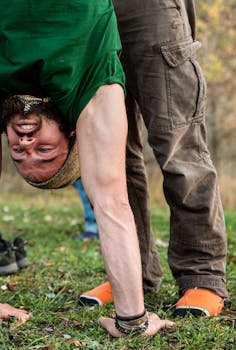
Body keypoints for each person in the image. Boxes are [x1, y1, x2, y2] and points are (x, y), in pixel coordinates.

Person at [0, 0, 173, 337]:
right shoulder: (92, 89)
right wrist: (133, 321)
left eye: (18, 154)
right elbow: (111, 201)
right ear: (72, 133)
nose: (26, 146)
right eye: (45, 151)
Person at [79, 0, 228, 318]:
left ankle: (201, 274)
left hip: (149, 9)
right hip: (85, 12)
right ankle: (132, 273)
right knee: (111, 156)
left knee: (179, 147)